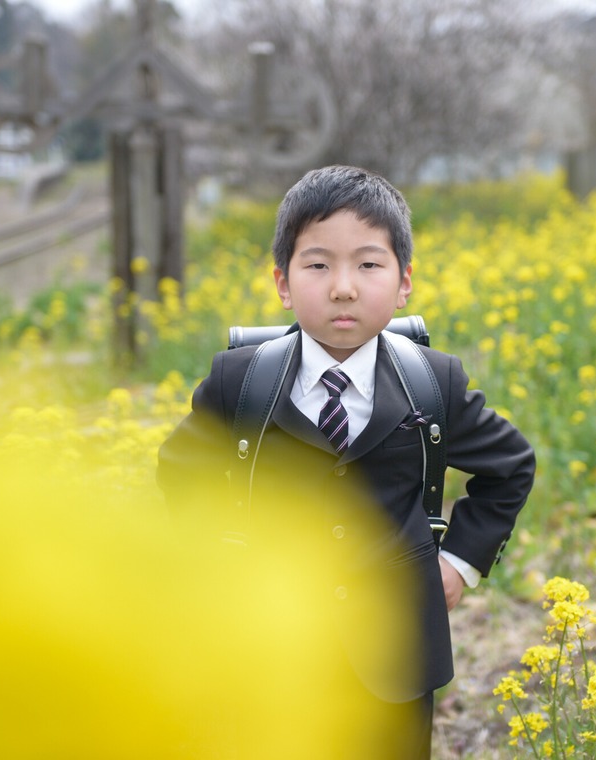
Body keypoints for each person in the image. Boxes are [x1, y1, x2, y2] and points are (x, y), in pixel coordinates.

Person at [157, 165, 535, 758]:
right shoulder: (241, 382)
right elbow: (182, 472)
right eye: (317, 265)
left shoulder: (432, 383)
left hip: (396, 653)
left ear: (404, 281)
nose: (343, 287)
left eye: (367, 264)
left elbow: (510, 465)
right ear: (282, 283)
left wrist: (460, 562)